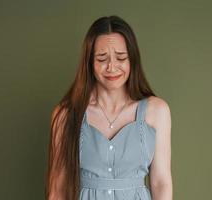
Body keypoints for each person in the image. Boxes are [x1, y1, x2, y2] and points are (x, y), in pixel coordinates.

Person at [45, 15, 172, 200]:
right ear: (89, 63)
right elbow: (57, 188)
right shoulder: (66, 115)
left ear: (132, 60)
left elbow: (161, 182)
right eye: (102, 58)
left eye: (121, 58)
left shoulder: (157, 111)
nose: (112, 67)